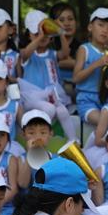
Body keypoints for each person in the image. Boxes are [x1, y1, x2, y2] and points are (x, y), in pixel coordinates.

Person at [19, 9, 76, 142]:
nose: (43, 36)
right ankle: (40, 138)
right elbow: (25, 53)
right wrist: (40, 36)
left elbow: (66, 53)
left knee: (62, 111)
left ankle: (73, 140)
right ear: (29, 35)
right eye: (37, 33)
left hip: (52, 94)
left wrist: (60, 32)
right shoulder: (26, 54)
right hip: (32, 96)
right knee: (49, 109)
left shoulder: (52, 54)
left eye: (46, 33)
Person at [73, 7, 108, 125]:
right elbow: (76, 78)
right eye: (101, 25)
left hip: (106, 99)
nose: (105, 30)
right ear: (90, 27)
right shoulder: (84, 49)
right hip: (86, 100)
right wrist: (96, 64)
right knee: (105, 121)